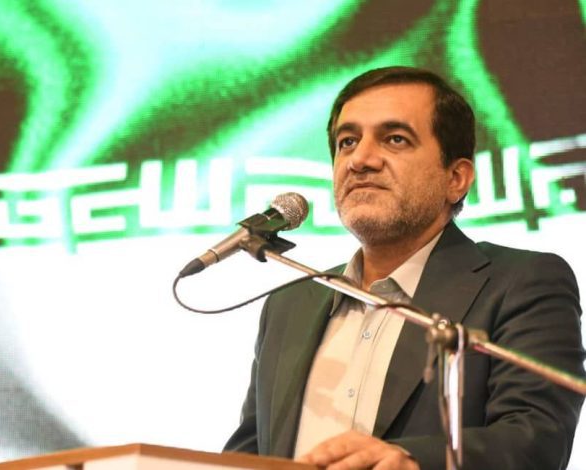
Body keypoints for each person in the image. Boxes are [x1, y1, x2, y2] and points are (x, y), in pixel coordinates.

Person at [224, 66, 585, 470]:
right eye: (347, 141)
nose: (360, 160)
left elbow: (536, 440)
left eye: (395, 139)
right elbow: (247, 455)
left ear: (456, 178)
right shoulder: (290, 303)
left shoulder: (521, 282)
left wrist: (413, 461)